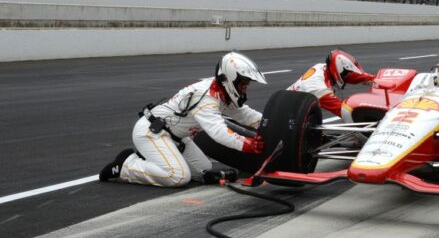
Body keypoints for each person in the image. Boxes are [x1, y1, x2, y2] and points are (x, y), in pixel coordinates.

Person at [99, 52, 267, 187]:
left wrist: (271, 122)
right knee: (178, 177)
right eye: (243, 84)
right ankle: (126, 166)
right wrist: (248, 144)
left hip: (174, 136)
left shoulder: (221, 92)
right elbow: (218, 131)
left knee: (205, 171)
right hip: (151, 132)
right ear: (229, 79)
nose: (245, 88)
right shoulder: (206, 97)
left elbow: (245, 115)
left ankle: (153, 159)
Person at [287, 49, 375, 116]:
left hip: (294, 107)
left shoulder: (322, 67)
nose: (348, 75)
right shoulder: (319, 88)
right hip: (289, 114)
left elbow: (349, 76)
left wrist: (375, 79)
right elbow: (343, 111)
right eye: (347, 73)